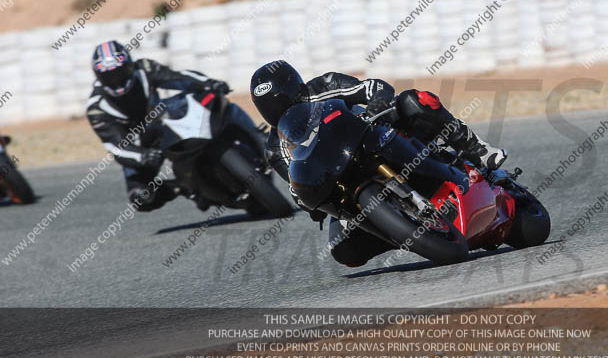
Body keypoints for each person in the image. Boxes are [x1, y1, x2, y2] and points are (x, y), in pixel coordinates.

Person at [250, 60, 507, 266]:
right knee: (343, 250)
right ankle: (405, 231)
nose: (277, 110)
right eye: (267, 107)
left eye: (280, 100)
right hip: (343, 179)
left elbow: (373, 87)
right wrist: (308, 200)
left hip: (378, 137)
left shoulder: (325, 85)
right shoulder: (275, 148)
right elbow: (296, 184)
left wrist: (377, 105)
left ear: (295, 86)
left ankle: (476, 149)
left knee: (413, 101)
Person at [87, 40, 229, 211]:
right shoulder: (97, 109)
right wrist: (143, 156)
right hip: (141, 147)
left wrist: (209, 82)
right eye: (108, 77)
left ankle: (232, 139)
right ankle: (182, 187)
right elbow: (117, 147)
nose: (116, 81)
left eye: (120, 73)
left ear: (130, 66)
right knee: (140, 198)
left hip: (164, 122)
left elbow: (176, 77)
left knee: (208, 102)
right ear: (98, 76)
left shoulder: (144, 69)